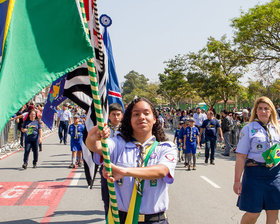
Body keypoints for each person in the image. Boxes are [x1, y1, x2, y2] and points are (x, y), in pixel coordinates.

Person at [86, 97, 177, 224]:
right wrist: (93, 138)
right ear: (129, 120)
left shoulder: (166, 147)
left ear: (155, 118)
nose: (141, 117)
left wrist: (124, 171)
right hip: (122, 219)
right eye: (136, 114)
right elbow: (98, 147)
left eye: (146, 113)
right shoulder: (119, 144)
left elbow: (161, 170)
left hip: (155, 220)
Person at [234, 96, 280, 224]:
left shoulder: (277, 128)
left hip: (274, 174)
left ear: (271, 111)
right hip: (254, 174)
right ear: (256, 110)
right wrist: (237, 181)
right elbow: (241, 156)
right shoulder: (248, 129)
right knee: (253, 213)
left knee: (273, 212)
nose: (263, 111)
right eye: (260, 108)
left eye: (266, 108)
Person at [100, 103, 124, 218]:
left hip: (122, 167)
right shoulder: (103, 129)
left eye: (118, 114)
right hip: (107, 167)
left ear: (122, 116)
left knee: (123, 198)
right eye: (113, 114)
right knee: (107, 198)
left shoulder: (126, 130)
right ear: (109, 116)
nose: (116, 117)